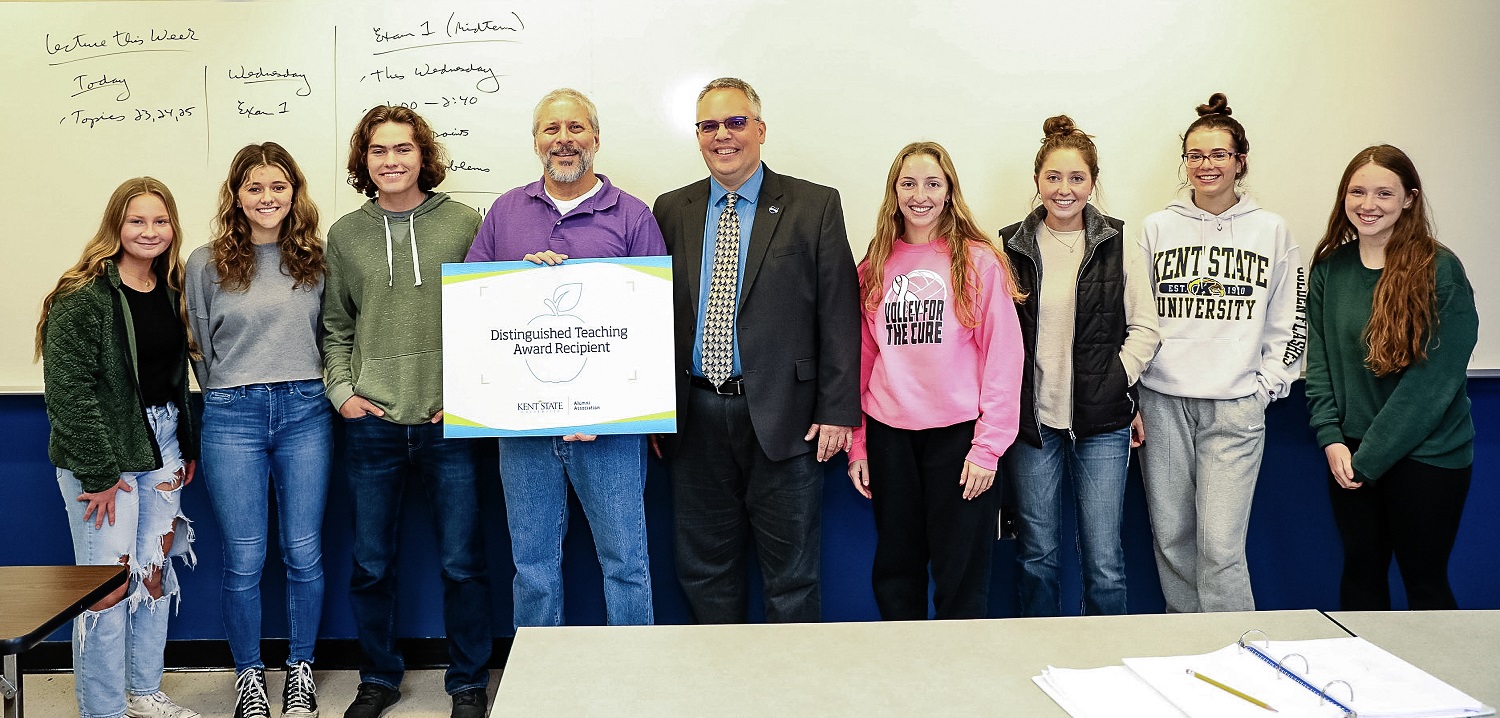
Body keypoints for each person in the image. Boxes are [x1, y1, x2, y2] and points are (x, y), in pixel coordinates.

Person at [652, 77, 861, 623]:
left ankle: (787, 697)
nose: (722, 135)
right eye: (709, 125)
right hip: (693, 415)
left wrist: (838, 412)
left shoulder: (813, 204)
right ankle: (722, 692)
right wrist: (651, 406)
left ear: (760, 129)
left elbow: (839, 314)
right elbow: (653, 315)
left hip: (786, 418)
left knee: (792, 575)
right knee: (703, 569)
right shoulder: (672, 209)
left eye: (735, 122)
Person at [465, 88, 665, 627]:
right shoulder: (506, 212)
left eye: (575, 128)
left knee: (626, 564)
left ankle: (634, 683)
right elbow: (475, 310)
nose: (564, 140)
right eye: (551, 130)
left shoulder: (632, 215)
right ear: (536, 142)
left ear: (595, 139)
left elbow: (650, 322)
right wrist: (518, 281)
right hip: (524, 427)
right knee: (532, 567)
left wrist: (607, 407)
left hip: (612, 430)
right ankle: (538, 687)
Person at [323, 106, 492, 718]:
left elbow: (489, 316)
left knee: (463, 563)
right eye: (378, 150)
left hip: (451, 422)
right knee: (370, 563)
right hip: (374, 425)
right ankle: (377, 678)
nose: (391, 160)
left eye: (402, 148)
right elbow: (336, 326)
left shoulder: (465, 224)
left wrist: (473, 394)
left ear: (424, 156)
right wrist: (343, 393)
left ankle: (468, 683)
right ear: (363, 161)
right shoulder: (345, 235)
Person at [37, 177, 200, 718]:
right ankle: (103, 708)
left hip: (164, 445)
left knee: (153, 566)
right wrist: (100, 472)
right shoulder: (81, 297)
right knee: (107, 584)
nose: (150, 231)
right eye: (137, 221)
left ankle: (143, 690)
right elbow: (68, 394)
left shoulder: (173, 289)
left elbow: (176, 378)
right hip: (105, 453)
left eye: (160, 220)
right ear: (116, 226)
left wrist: (187, 444)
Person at [1137, 93, 1306, 613]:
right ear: (1184, 161)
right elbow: (1136, 318)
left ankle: (1237, 657)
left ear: (1240, 160)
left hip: (1235, 407)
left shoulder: (1271, 229)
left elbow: (1290, 319)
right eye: (1195, 155)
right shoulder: (1156, 227)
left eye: (1218, 154)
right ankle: (1189, 656)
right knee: (1172, 540)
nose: (1205, 165)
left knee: (1220, 546)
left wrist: (1264, 387)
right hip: (1163, 402)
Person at [845, 141, 1023, 620]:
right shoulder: (873, 267)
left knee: (960, 573)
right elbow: (861, 361)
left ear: (949, 192)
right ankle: (905, 677)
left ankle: (958, 681)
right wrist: (858, 443)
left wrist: (988, 449)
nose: (919, 194)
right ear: (893, 192)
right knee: (896, 570)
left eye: (931, 183)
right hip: (889, 437)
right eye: (908, 183)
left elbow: (1005, 360)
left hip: (960, 440)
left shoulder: (979, 261)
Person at [186, 142, 328, 718]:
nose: (266, 198)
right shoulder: (204, 261)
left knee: (303, 551)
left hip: (306, 410)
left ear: (294, 192)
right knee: (244, 557)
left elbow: (331, 335)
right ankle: (249, 674)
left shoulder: (316, 258)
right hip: (231, 416)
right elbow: (197, 343)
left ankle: (300, 669)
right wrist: (225, 391)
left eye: (277, 186)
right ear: (236, 195)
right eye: (254, 188)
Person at [999, 117, 1160, 617]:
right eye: (1053, 178)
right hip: (1034, 426)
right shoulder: (1008, 248)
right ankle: (1038, 656)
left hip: (1103, 425)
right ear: (1037, 182)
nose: (1064, 190)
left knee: (1104, 558)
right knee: (1036, 555)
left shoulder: (1118, 245)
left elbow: (1146, 330)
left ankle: (1109, 665)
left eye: (1076, 179)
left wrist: (1115, 381)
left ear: (1092, 182)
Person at [1306, 145, 1477, 611]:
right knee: (1360, 575)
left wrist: (1369, 459)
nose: (1368, 203)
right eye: (1357, 191)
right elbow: (1318, 364)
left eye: (1384, 192)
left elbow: (1432, 386)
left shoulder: (1440, 270)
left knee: (1425, 582)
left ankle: (1440, 684)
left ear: (1409, 199)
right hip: (1350, 453)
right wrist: (1332, 439)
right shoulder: (1329, 268)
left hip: (1429, 457)